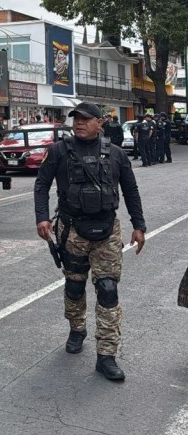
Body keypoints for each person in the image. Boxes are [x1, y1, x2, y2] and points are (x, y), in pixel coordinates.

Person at [34, 102, 146, 382]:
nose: (79, 123)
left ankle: (106, 356)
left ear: (100, 123)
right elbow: (41, 184)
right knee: (74, 285)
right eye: (76, 119)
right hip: (71, 229)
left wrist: (139, 225)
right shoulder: (58, 151)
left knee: (107, 288)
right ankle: (77, 328)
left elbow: (131, 190)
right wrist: (42, 218)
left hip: (107, 230)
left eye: (85, 119)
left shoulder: (117, 155)